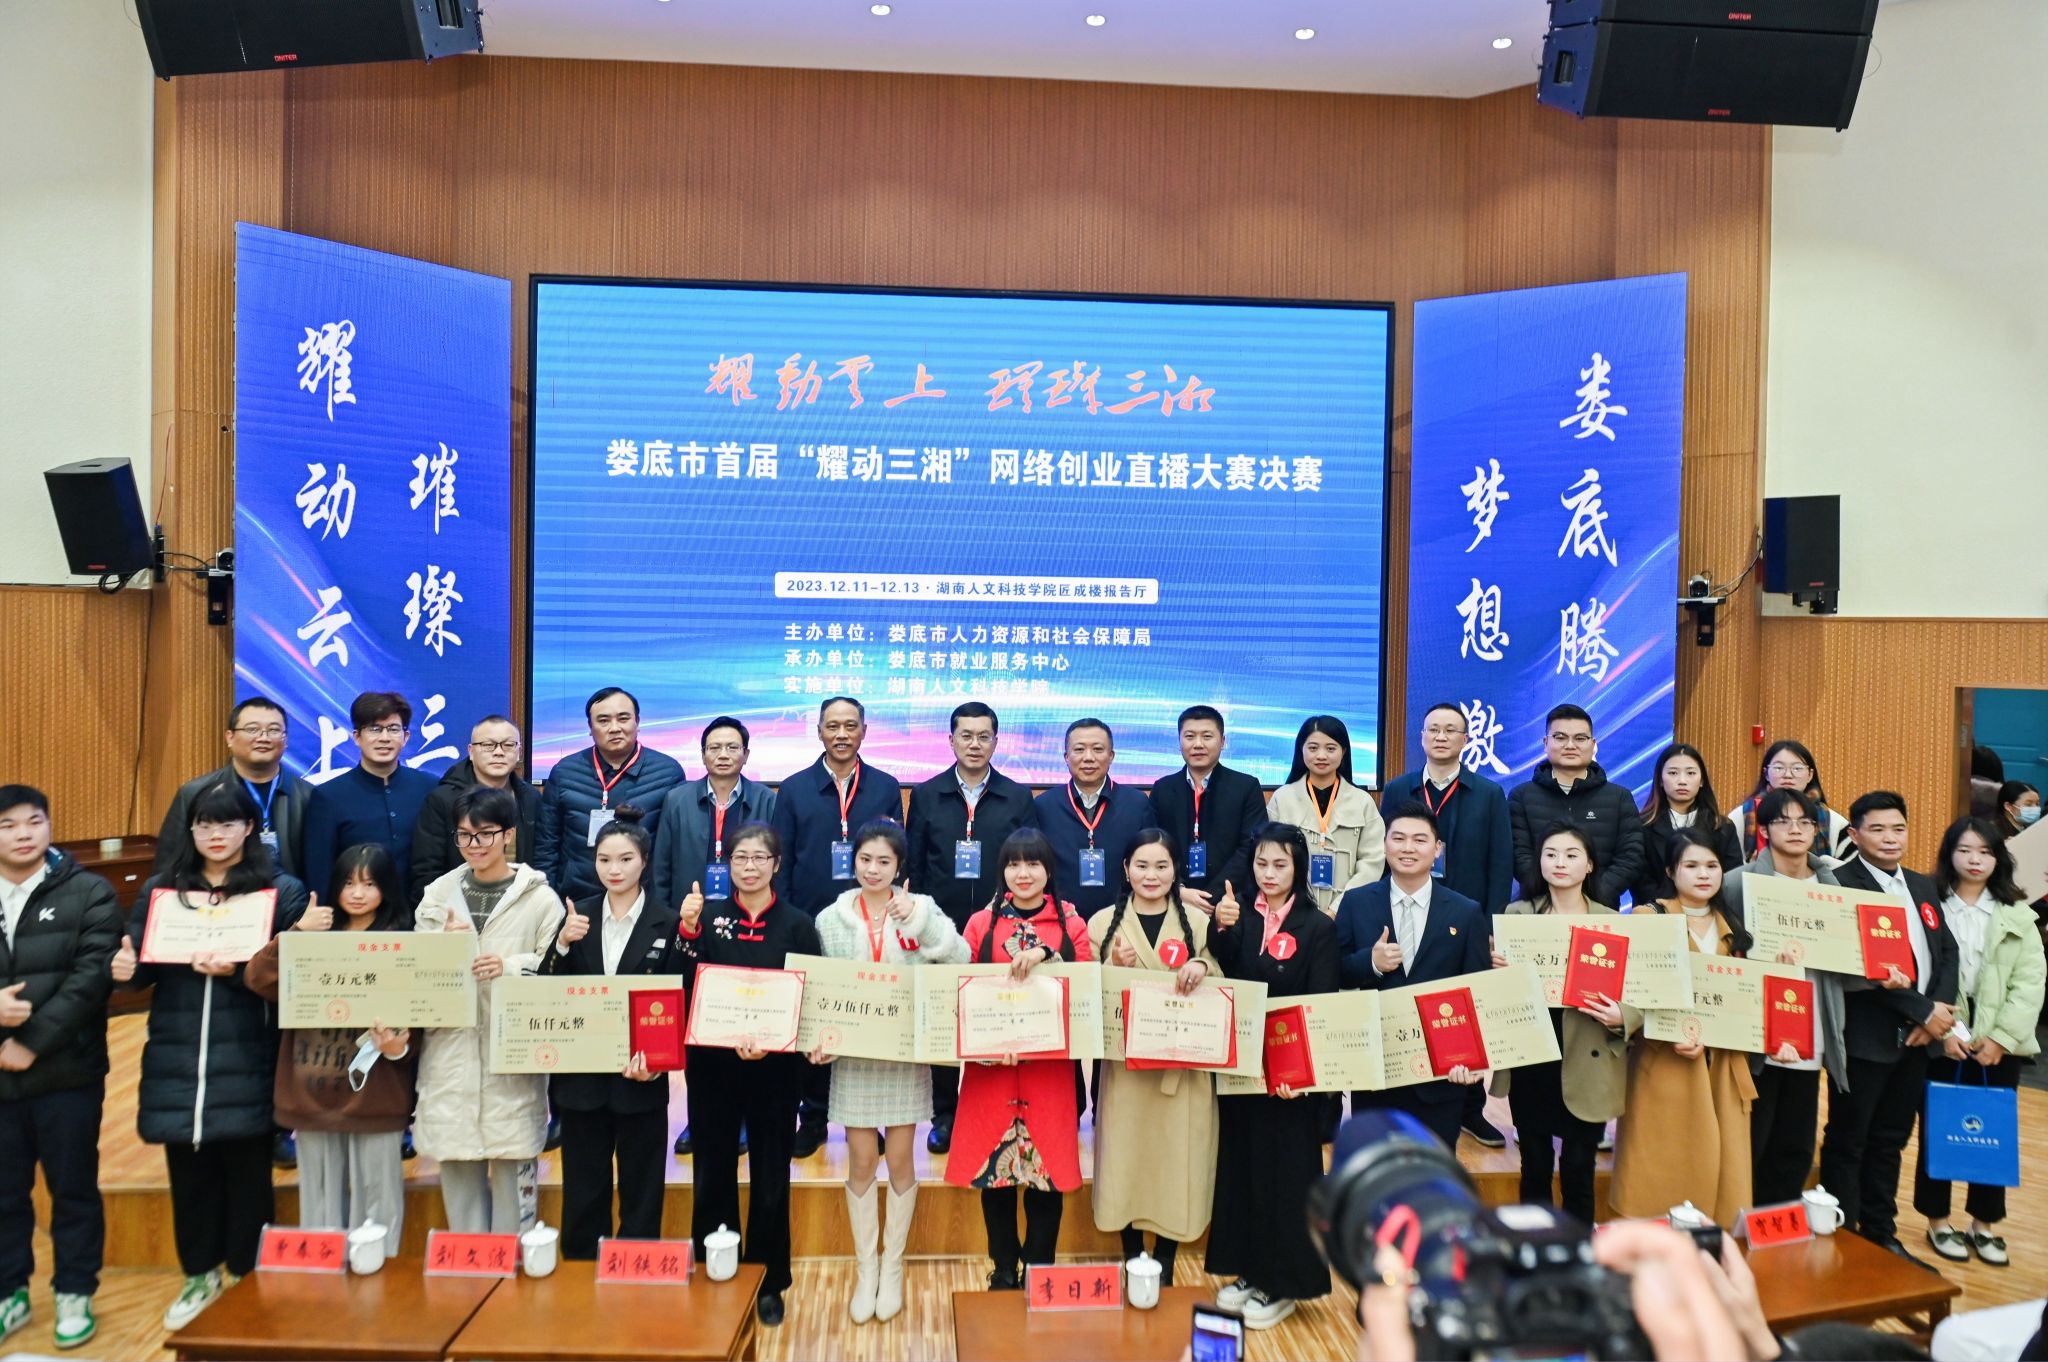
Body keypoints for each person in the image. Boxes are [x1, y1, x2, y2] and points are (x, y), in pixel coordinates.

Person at [116, 780, 306, 1331]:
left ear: (249, 828)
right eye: (204, 824)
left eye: (227, 823)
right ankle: (199, 1275)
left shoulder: (280, 892)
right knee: (189, 1171)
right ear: (190, 830)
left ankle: (249, 1276)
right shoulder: (162, 892)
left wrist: (241, 971)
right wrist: (126, 969)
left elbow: (294, 977)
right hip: (177, 1054)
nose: (215, 834)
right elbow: (141, 969)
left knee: (249, 1173)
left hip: (248, 1049)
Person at [811, 819, 967, 1324]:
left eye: (884, 861)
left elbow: (960, 958)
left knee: (900, 1159)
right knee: (861, 1161)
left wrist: (920, 923)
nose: (873, 869)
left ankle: (893, 1267)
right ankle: (867, 1269)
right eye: (865, 859)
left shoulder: (920, 910)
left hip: (903, 1054)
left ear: (900, 866)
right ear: (852, 861)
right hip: (855, 1058)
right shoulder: (830, 918)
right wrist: (820, 1041)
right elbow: (819, 990)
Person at [677, 821, 823, 1328]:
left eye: (761, 857)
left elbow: (809, 994)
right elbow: (684, 983)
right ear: (728, 864)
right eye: (741, 857)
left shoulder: (799, 924)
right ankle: (715, 1268)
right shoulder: (706, 917)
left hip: (775, 1070)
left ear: (777, 865)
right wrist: (687, 932)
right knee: (712, 1171)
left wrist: (777, 1042)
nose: (750, 866)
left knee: (770, 1176)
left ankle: (768, 1280)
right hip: (713, 1067)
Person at [244, 844, 415, 1255]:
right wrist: (296, 933)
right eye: (349, 883)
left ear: (387, 888)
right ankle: (322, 1287)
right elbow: (257, 978)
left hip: (376, 1098)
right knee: (319, 1210)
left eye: (369, 884)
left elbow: (420, 1022)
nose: (357, 893)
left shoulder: (403, 944)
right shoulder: (312, 937)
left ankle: (377, 1281)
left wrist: (397, 1048)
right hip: (312, 1093)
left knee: (378, 1208)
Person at [0, 786, 122, 1351]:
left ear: (50, 826)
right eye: (8, 825)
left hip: (67, 1072)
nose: (23, 833)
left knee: (72, 1188)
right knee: (4, 1192)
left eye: (34, 821)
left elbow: (92, 978)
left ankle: (75, 1290)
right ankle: (9, 1291)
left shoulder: (88, 891)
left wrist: (32, 1042)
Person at [948, 829, 1094, 1291]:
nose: (1023, 873)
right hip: (991, 1073)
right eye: (1013, 864)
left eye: (1033, 864)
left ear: (1049, 870)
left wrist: (1047, 954)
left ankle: (1039, 1268)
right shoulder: (981, 923)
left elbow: (1086, 991)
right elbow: (960, 991)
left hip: (1049, 1076)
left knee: (1046, 1179)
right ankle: (1003, 1269)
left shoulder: (1071, 924)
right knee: (996, 1178)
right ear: (1002, 871)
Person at [414, 786, 563, 1235]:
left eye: (484, 834)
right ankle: (468, 1264)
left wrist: (509, 967)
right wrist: (445, 949)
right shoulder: (437, 896)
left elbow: (557, 970)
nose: (474, 845)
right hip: (451, 1055)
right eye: (464, 835)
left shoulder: (540, 898)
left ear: (508, 835)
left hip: (511, 1057)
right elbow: (415, 973)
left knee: (514, 1176)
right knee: (458, 1170)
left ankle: (512, 1262)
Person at [1207, 823, 1336, 1330]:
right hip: (1242, 1071)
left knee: (1287, 1179)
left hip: (1289, 1081)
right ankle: (1250, 1270)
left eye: (1280, 864)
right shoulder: (1239, 913)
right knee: (1244, 1171)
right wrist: (1221, 928)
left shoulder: (1317, 926)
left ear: (1298, 867)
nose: (1269, 873)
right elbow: (1226, 969)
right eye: (1261, 863)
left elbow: (1319, 1006)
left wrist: (1300, 1075)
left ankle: (1284, 1284)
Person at [1820, 791, 1959, 1259]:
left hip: (1918, 1041)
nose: (1890, 838)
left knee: (1891, 1142)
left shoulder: (1921, 885)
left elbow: (1947, 951)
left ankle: (1881, 1235)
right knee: (1849, 1140)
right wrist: (1922, 1010)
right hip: (1866, 1038)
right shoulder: (1840, 885)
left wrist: (1937, 1011)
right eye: (1877, 829)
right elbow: (1856, 965)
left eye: (1898, 828)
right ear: (1854, 835)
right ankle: (1843, 1240)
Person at [536, 807, 679, 1261]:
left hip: (642, 1080)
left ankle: (636, 1275)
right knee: (583, 1190)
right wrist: (562, 943)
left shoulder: (668, 921)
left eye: (625, 859)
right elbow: (546, 990)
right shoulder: (577, 916)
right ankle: (581, 1278)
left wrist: (657, 1066)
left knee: (642, 1191)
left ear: (645, 861)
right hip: (582, 1082)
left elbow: (677, 1003)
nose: (613, 869)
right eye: (604, 860)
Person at [769, 696, 904, 1159]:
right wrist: (786, 921)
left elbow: (896, 855)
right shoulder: (794, 788)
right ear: (819, 732)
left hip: (870, 924)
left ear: (864, 730)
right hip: (809, 924)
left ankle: (865, 1118)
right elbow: (782, 860)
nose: (841, 734)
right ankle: (813, 1119)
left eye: (850, 725)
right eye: (833, 726)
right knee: (815, 1023)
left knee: (864, 1021)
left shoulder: (885, 786)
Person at [1376, 703, 1514, 1147]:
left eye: (1450, 730)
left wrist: (1490, 926)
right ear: (1421, 737)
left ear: (1465, 739)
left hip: (1465, 922)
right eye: (1433, 729)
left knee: (1462, 1012)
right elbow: (1384, 855)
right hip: (1407, 912)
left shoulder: (1488, 793)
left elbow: (1500, 863)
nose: (1440, 737)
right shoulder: (1398, 788)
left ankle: (1470, 1109)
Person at [1086, 829, 1219, 1289]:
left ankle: (1164, 1259)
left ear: (1176, 870)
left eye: (1162, 866)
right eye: (1141, 865)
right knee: (1125, 1161)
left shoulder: (1198, 923)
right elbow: (1085, 997)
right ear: (1125, 869)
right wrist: (1112, 969)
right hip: (1127, 1072)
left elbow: (1224, 982)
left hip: (1182, 1072)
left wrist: (1202, 965)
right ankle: (1130, 1255)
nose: (1151, 875)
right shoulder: (1103, 923)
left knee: (1175, 1165)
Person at [903, 702, 1037, 1155]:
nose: (974, 744)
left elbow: (1029, 862)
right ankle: (945, 1114)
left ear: (996, 742)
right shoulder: (927, 794)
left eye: (984, 736)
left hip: (1001, 927)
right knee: (945, 1019)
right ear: (951, 740)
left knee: (997, 1017)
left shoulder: (1017, 797)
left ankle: (994, 1110)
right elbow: (915, 865)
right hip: (942, 929)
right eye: (966, 735)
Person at [1490, 822, 1636, 1228]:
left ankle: (1580, 1253)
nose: (1560, 863)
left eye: (1572, 855)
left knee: (1579, 1166)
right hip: (1534, 1054)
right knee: (1534, 1163)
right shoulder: (1518, 915)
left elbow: (1640, 991)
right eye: (1551, 854)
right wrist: (1498, 971)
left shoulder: (1612, 922)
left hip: (1590, 1051)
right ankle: (1534, 1248)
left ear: (1590, 865)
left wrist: (1624, 1016)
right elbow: (1499, 994)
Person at [1609, 828, 1757, 1226]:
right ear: (1671, 871)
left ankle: (1708, 1243)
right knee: (1662, 1164)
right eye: (1691, 865)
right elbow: (1633, 988)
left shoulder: (1733, 926)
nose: (1703, 874)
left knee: (1720, 1169)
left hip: (1721, 1063)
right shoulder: (1648, 917)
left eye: (1712, 865)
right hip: (1665, 1061)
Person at [1913, 816, 2043, 1268]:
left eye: (1985, 852)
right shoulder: (1930, 906)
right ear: (1949, 854)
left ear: (1998, 858)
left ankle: (1984, 1225)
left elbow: (2030, 983)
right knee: (1938, 1129)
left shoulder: (2018, 913)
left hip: (1997, 1044)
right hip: (1941, 1037)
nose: (1975, 860)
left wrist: (2002, 1039)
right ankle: (1937, 1221)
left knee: (1992, 1133)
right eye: (1965, 850)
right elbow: (1921, 971)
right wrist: (1944, 1032)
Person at [1722, 787, 1852, 1209]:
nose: (1795, 830)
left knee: (1796, 1141)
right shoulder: (1737, 883)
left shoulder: (1833, 884)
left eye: (1805, 822)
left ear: (1816, 830)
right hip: (1758, 1030)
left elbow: (1847, 958)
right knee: (1753, 1136)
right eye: (1784, 821)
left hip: (1812, 1026)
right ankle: (1742, 1220)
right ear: (1764, 830)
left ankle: (1779, 1222)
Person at [654, 717, 775, 1157]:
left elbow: (775, 860)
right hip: (695, 925)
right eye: (714, 747)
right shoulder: (677, 799)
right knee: (700, 1022)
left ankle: (742, 1118)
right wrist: (671, 922)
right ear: (702, 754)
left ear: (746, 753)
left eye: (732, 747)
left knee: (745, 1018)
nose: (723, 755)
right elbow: (662, 864)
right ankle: (700, 1118)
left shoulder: (766, 799)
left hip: (749, 922)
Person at [1336, 804, 1490, 1150]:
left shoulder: (1465, 912)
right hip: (1378, 1072)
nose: (1408, 848)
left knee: (1433, 1169)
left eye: (1420, 840)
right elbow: (1335, 970)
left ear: (1437, 849)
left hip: (1440, 1076)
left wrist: (1472, 1057)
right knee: (1375, 1168)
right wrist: (1371, 963)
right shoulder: (1356, 903)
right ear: (1384, 845)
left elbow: (1476, 991)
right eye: (1399, 838)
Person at [532, 687, 687, 907]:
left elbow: (675, 849)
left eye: (623, 718)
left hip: (644, 902)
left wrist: (664, 908)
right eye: (603, 721)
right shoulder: (565, 772)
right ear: (590, 728)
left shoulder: (668, 773)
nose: (614, 728)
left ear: (637, 722)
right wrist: (548, 903)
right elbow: (547, 846)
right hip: (577, 900)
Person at [300, 692, 438, 903]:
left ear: (406, 737)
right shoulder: (328, 797)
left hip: (421, 913)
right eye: (374, 729)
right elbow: (320, 873)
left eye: (393, 729)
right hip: (355, 916)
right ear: (357, 737)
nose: (384, 738)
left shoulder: (429, 788)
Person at [155, 697, 308, 881]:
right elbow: (168, 865)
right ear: (229, 737)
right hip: (216, 896)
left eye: (274, 730)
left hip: (290, 897)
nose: (263, 738)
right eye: (252, 729)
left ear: (285, 740)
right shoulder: (194, 793)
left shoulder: (308, 796)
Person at [1507, 704, 1645, 907]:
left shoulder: (1619, 797)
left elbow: (1631, 856)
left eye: (1580, 738)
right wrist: (1553, 897)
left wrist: (1593, 898)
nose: (1570, 745)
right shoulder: (1521, 796)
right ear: (1546, 743)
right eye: (1560, 737)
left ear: (1593, 744)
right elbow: (1519, 855)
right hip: (1539, 910)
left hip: (1601, 910)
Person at [1033, 718, 1159, 919]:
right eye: (1079, 749)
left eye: (1098, 749)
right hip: (1061, 920)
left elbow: (1151, 862)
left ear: (1111, 756)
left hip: (1124, 920)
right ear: (1066, 757)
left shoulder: (1136, 804)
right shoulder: (1044, 806)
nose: (1088, 758)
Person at [410, 715, 540, 902]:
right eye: (488, 745)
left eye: (508, 745)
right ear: (471, 751)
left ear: (519, 751)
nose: (498, 752)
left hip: (519, 905)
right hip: (458, 908)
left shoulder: (530, 798)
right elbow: (427, 870)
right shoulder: (443, 799)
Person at [1269, 715, 1388, 917]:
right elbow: (1270, 859)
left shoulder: (1363, 802)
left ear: (1344, 752)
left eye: (1331, 748)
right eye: (1313, 748)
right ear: (1301, 750)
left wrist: (1336, 909)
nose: (1321, 755)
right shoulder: (1282, 798)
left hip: (1349, 913)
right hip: (1292, 913)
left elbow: (1372, 863)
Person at [1150, 705, 1265, 911]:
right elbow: (1153, 845)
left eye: (1207, 736)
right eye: (1190, 736)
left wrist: (1212, 896)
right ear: (1179, 742)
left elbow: (1251, 847)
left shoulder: (1246, 787)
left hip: (1231, 902)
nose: (1198, 744)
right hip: (1174, 900)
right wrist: (1179, 889)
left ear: (1223, 742)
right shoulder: (1162, 789)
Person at [1631, 742, 1744, 906]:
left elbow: (1731, 878)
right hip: (1656, 912)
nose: (1682, 781)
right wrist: (1671, 908)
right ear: (1660, 780)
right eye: (1673, 773)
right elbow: (1639, 880)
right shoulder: (1641, 826)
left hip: (1710, 911)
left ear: (1702, 780)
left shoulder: (1722, 827)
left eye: (1691, 773)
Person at [1730, 741, 1851, 862]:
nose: (1788, 775)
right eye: (1779, 768)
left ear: (1810, 775)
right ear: (1766, 774)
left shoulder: (1835, 822)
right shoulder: (1740, 817)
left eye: (1797, 768)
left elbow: (1848, 870)